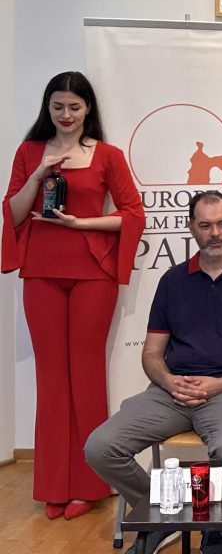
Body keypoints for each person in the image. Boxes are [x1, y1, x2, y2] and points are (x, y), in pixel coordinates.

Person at [84, 191, 222, 554]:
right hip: (170, 393)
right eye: (205, 225)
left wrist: (220, 384)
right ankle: (164, 515)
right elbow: (151, 353)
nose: (215, 233)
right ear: (190, 227)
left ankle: (214, 529)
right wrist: (168, 380)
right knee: (100, 447)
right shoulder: (173, 280)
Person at [1, 71, 144, 521]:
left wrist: (82, 223)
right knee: (51, 378)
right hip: (41, 273)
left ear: (88, 109)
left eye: (74, 107)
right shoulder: (29, 152)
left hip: (92, 274)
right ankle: (53, 486)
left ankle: (87, 485)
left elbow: (132, 214)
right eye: (58, 106)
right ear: (47, 107)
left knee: (85, 374)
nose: (66, 115)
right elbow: (14, 213)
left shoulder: (108, 155)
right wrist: (38, 174)